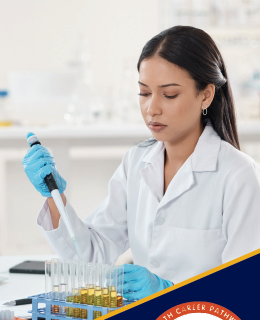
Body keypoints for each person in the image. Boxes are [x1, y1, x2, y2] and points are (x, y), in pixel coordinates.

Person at [23, 26, 260, 301]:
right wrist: (53, 195)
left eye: (169, 95)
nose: (152, 108)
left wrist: (169, 291)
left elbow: (246, 291)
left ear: (206, 95)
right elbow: (90, 255)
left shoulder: (238, 175)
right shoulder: (137, 162)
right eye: (144, 93)